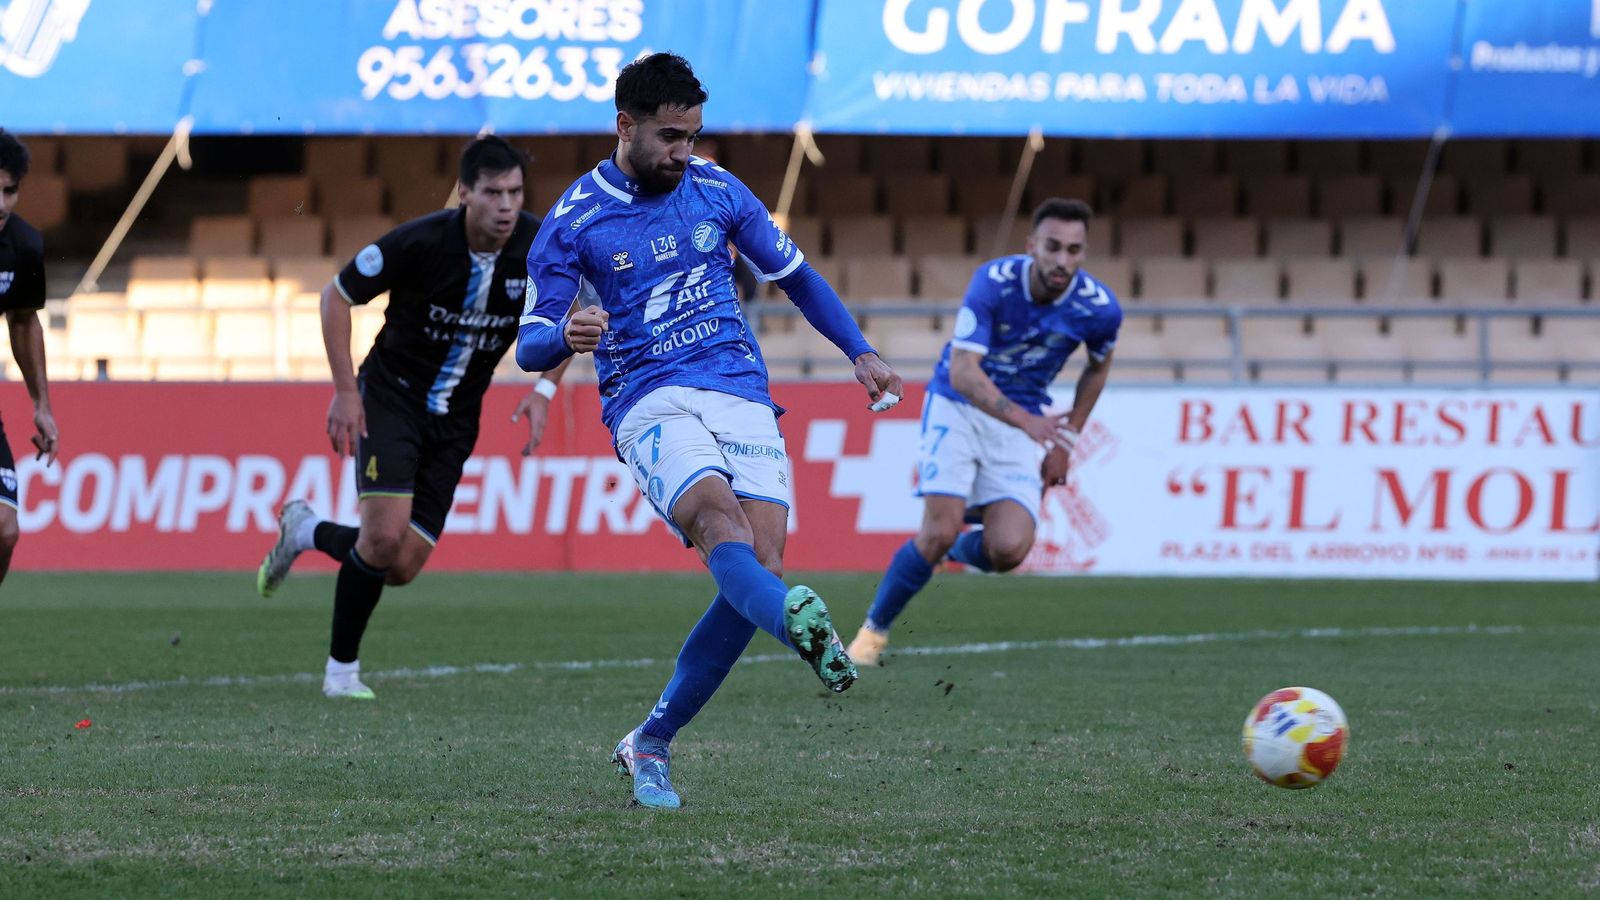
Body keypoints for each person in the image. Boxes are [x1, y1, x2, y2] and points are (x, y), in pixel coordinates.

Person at [516, 53, 903, 809]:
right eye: (668, 136)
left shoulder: (718, 189)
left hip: (740, 391)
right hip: (647, 397)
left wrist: (860, 351)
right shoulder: (575, 222)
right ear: (624, 126)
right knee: (715, 521)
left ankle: (651, 741)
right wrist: (567, 332)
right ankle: (799, 633)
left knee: (761, 561)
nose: (682, 152)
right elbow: (530, 343)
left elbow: (795, 276)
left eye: (691, 135)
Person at [255, 135, 567, 699]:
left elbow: (573, 311)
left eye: (515, 193)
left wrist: (544, 387)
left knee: (400, 565)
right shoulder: (420, 242)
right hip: (390, 399)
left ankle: (304, 529)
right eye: (492, 192)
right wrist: (346, 392)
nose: (505, 206)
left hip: (457, 420)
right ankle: (340, 674)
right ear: (465, 193)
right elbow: (335, 297)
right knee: (381, 542)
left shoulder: (539, 247)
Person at [846, 198, 1120, 667]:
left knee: (1009, 549)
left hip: (1020, 422)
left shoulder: (1098, 310)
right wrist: (1033, 425)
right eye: (1053, 247)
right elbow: (963, 373)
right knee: (934, 531)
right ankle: (872, 634)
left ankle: (947, 540)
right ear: (1032, 245)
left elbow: (1098, 367)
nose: (1062, 260)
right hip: (959, 408)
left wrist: (1068, 440)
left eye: (1074, 250)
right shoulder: (993, 283)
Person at [0, 129, 60, 587]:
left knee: (4, 532)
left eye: (9, 191)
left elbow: (23, 320)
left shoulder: (23, 247)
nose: (1, 204)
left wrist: (41, 404)